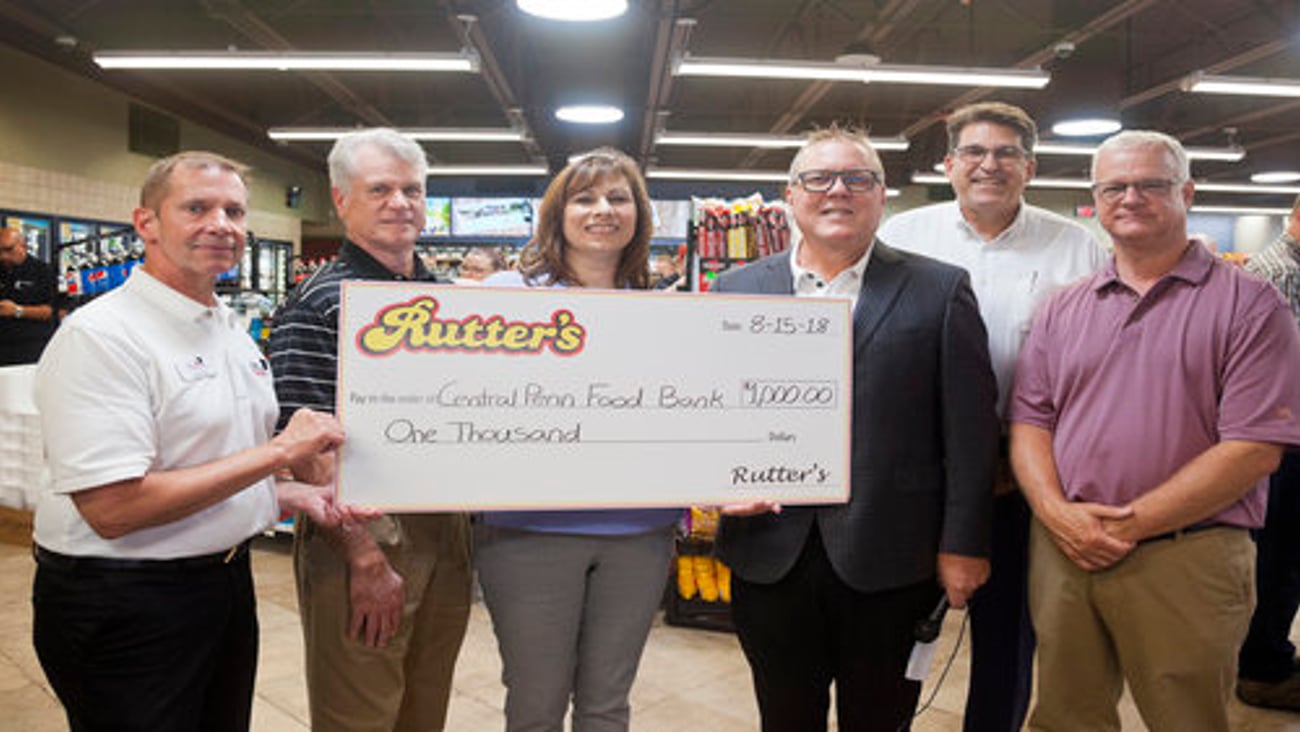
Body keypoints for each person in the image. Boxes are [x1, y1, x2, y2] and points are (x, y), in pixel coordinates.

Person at [30, 150, 346, 732]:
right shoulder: (103, 337)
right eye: (196, 207)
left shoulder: (228, 329)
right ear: (146, 223)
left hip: (222, 584)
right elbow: (114, 508)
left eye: (233, 210)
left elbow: (204, 463)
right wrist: (281, 454)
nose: (220, 224)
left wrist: (283, 494)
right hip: (127, 601)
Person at [712, 125, 1000, 732]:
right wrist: (709, 481)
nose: (837, 191)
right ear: (790, 196)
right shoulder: (736, 289)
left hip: (894, 556)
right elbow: (711, 410)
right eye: (818, 178)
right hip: (769, 554)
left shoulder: (939, 289)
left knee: (880, 720)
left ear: (881, 194)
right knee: (785, 717)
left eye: (857, 178)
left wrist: (964, 543)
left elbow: (971, 435)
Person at [1009, 130, 1300, 732]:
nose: (1130, 198)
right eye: (1114, 186)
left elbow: (1252, 449)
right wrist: (1057, 513)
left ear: (1187, 192)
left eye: (1151, 185)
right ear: (1096, 197)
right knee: (1065, 716)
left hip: (1187, 553)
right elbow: (1031, 420)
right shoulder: (1064, 307)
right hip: (1066, 549)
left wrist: (1128, 524)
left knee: (1185, 718)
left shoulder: (1251, 304)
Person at [877, 101, 1106, 732]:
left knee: (1009, 639)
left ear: (1029, 168)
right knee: (894, 632)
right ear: (948, 164)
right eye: (974, 152)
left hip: (1023, 472)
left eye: (1007, 153)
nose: (990, 165)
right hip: (916, 472)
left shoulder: (1075, 248)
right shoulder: (899, 238)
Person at [268, 128, 473, 732]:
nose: (400, 202)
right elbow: (301, 443)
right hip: (362, 527)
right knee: (359, 711)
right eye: (379, 188)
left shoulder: (440, 297)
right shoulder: (320, 302)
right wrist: (363, 554)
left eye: (412, 189)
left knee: (423, 705)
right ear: (340, 199)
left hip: (446, 524)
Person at [475, 148, 681, 732]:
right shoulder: (503, 297)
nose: (602, 210)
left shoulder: (667, 312)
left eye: (618, 198)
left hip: (639, 534)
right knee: (535, 703)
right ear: (556, 213)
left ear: (639, 214)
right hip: (527, 531)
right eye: (584, 197)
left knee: (607, 705)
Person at [1236, 193, 1300, 711]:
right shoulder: (1278, 274)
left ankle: (1267, 654)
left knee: (1282, 557)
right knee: (1277, 558)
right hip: (1282, 445)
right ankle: (1262, 666)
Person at [0, 227, 58, 366]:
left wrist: (17, 311)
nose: (3, 256)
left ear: (23, 246)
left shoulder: (43, 271)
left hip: (30, 349)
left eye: (8, 250)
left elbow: (53, 311)